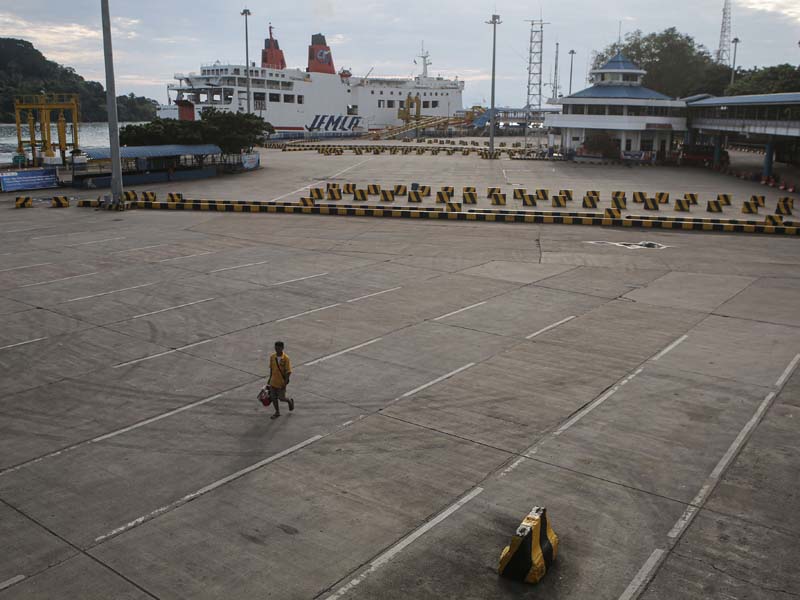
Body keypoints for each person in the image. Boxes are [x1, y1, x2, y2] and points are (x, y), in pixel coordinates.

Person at [268, 341, 294, 419]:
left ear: (282, 348)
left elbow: (288, 372)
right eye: (275, 348)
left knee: (281, 398)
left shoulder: (286, 358)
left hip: (281, 383)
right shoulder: (272, 357)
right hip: (273, 381)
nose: (276, 350)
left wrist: (285, 383)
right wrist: (269, 379)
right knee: (273, 397)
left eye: (278, 348)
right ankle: (277, 412)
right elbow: (271, 369)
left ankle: (289, 401)